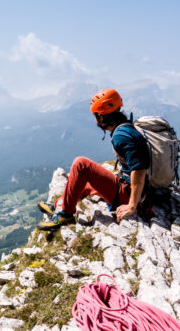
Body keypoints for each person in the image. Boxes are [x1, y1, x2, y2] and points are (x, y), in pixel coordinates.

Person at [37, 88, 150, 231]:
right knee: (86, 183)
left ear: (101, 117)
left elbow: (139, 170)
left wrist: (132, 206)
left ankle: (66, 214)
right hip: (133, 188)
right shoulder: (126, 128)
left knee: (81, 164)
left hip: (128, 194)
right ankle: (57, 205)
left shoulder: (121, 135)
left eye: (96, 116)